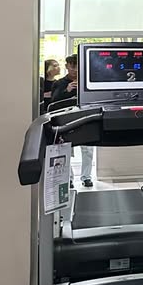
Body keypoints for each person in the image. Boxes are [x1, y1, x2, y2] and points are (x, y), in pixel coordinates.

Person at [52, 54, 94, 187]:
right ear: (66, 66)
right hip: (67, 122)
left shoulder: (87, 82)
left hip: (86, 119)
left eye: (78, 67)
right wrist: (67, 90)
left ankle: (86, 177)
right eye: (72, 67)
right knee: (66, 150)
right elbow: (53, 102)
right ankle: (68, 178)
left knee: (88, 150)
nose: (75, 70)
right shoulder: (59, 83)